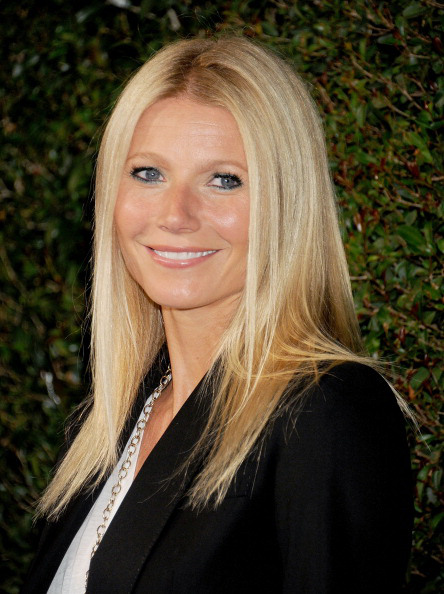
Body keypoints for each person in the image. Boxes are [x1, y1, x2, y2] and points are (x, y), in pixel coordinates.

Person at [22, 37, 412, 594]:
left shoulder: (325, 411)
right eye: (148, 173)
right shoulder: (115, 417)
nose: (176, 214)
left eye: (224, 180)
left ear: (286, 205)